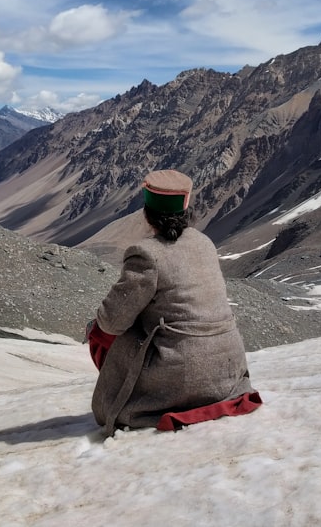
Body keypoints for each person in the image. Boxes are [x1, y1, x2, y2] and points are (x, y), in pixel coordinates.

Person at [87, 169, 261, 436]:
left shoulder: (146, 253)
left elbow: (111, 321)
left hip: (179, 371)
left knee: (99, 331)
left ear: (147, 213)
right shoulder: (205, 243)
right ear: (186, 207)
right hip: (228, 372)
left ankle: (127, 400)